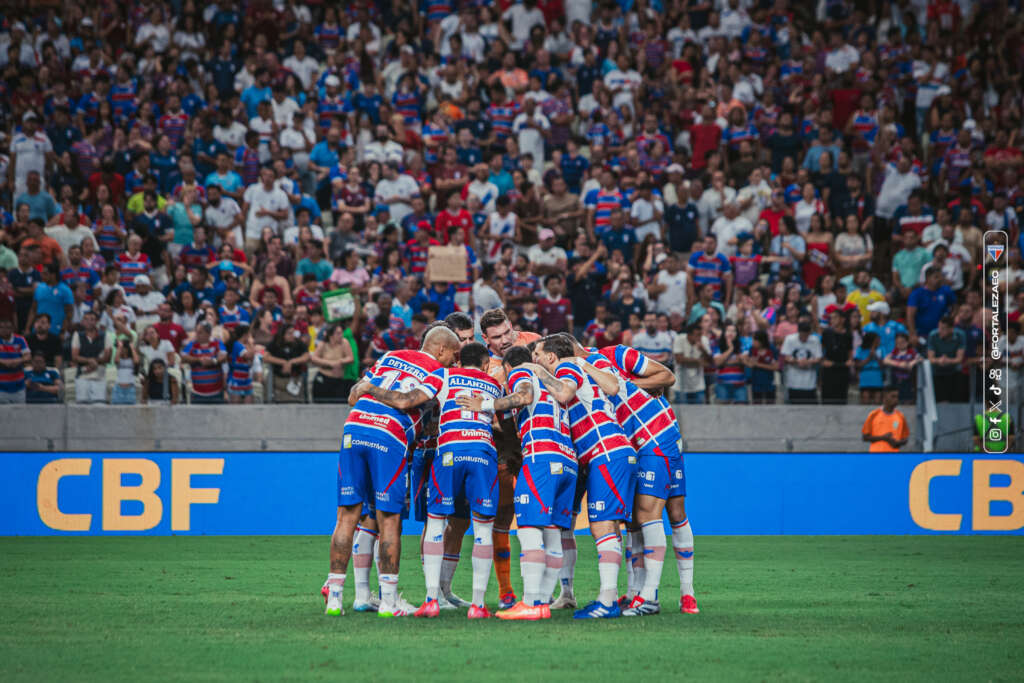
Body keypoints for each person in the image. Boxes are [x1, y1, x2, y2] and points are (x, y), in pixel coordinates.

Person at [351, 341, 503, 620]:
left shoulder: (443, 375)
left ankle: (432, 599)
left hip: (447, 450)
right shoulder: (494, 384)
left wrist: (370, 388)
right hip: (482, 451)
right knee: (483, 528)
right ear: (485, 365)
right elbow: (503, 424)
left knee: (435, 521)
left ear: (459, 361)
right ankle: (478, 605)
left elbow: (406, 400)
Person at [325, 326, 460, 618]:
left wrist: (369, 389)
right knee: (389, 519)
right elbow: (405, 401)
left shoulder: (390, 356)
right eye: (453, 354)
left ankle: (334, 598)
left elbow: (353, 396)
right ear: (440, 349)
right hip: (389, 435)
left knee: (347, 516)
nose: (455, 360)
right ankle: (388, 602)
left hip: (354, 427)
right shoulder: (438, 372)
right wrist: (378, 393)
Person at [457, 344, 577, 621]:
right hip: (567, 459)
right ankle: (542, 602)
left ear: (508, 367)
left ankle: (531, 601)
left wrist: (484, 405)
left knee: (529, 529)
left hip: (541, 456)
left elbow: (523, 396)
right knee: (553, 532)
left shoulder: (521, 371)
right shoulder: (552, 384)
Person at [527, 334, 638, 619]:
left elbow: (564, 393)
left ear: (551, 356)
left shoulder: (566, 366)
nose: (534, 360)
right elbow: (611, 387)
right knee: (608, 526)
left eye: (538, 355)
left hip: (606, 451)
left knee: (602, 526)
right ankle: (608, 597)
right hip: (610, 452)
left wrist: (538, 372)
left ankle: (608, 603)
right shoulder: (578, 369)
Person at [181, 321, 227, 403]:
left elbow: (224, 357)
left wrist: (213, 361)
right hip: (197, 393)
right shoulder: (192, 344)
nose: (196, 334)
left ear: (208, 333)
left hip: (216, 393)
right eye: (196, 332)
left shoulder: (217, 342)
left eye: (200, 332)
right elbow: (183, 357)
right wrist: (198, 360)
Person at [70, 311, 111, 404]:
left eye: (92, 319)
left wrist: (95, 362)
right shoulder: (77, 335)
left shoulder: (105, 335)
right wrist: (90, 361)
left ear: (97, 321)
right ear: (82, 321)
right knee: (81, 405)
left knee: (99, 404)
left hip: (99, 376)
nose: (89, 322)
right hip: (82, 376)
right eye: (86, 319)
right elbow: (74, 357)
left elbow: (107, 357)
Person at [311, 324, 356, 403]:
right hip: (324, 377)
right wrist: (330, 363)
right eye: (338, 333)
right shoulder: (323, 343)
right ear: (331, 335)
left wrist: (340, 362)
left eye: (341, 333)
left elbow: (351, 358)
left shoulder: (344, 342)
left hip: (338, 380)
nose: (341, 335)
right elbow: (314, 358)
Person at [781, 320, 823, 404]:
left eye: (806, 336)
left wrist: (808, 362)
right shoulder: (789, 339)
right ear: (798, 332)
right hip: (793, 381)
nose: (804, 338)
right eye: (802, 336)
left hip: (809, 382)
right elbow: (785, 356)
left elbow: (819, 358)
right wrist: (797, 361)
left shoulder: (815, 340)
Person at [861, 387, 910, 453]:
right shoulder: (874, 414)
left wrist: (897, 443)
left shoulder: (900, 416)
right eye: (893, 396)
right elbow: (865, 437)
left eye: (897, 397)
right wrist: (883, 438)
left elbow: (905, 439)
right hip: (876, 455)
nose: (896, 399)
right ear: (885, 397)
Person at [0, 317, 31, 404]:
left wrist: (14, 361)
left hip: (19, 389)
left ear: (12, 329)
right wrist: (4, 362)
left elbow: (28, 357)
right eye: (1, 327)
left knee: (20, 412)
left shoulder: (20, 339)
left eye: (7, 327)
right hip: (1, 389)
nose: (4, 330)